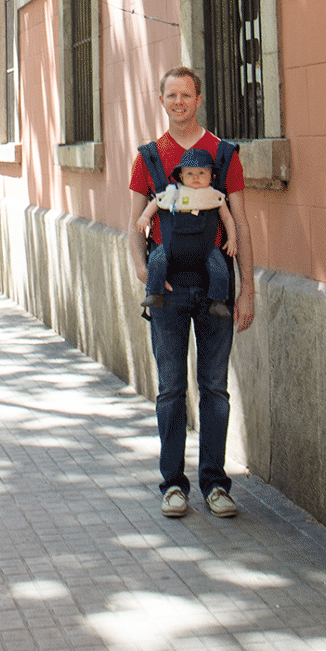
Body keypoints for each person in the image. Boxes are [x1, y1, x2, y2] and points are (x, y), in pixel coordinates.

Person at [128, 65, 254, 520]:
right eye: (171, 95)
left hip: (216, 288)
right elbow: (135, 226)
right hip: (167, 292)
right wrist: (145, 273)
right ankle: (173, 485)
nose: (179, 102)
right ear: (162, 100)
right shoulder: (148, 158)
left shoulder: (223, 155)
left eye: (186, 94)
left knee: (214, 389)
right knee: (170, 389)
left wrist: (248, 292)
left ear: (198, 99)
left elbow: (239, 224)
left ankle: (216, 485)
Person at [137, 148, 237, 316]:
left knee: (220, 267)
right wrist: (145, 216)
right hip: (172, 246)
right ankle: (155, 293)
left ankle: (218, 301)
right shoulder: (174, 192)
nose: (196, 177)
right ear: (181, 177)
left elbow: (227, 218)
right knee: (156, 259)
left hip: (206, 247)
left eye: (201, 172)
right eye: (190, 173)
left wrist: (232, 238)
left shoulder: (214, 196)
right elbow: (157, 201)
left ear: (212, 175)